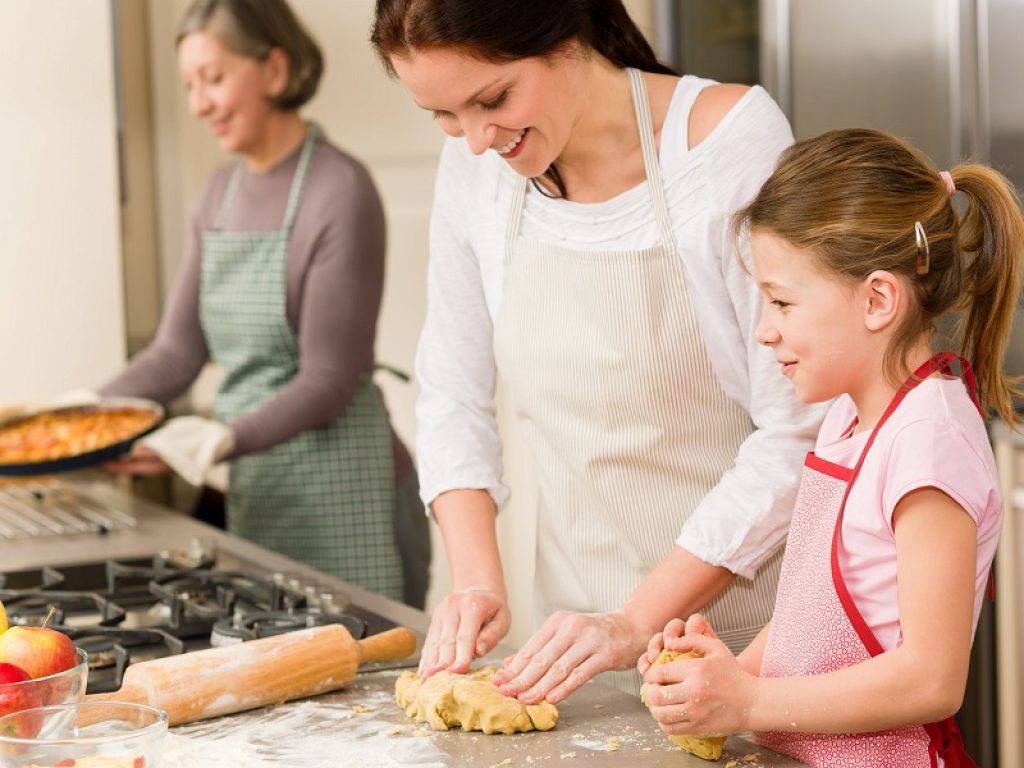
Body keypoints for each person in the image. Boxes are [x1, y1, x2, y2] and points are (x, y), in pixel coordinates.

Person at [371, 0, 825, 699]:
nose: (476, 140)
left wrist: (634, 621)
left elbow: (799, 428)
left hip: (745, 654)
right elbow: (452, 391)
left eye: (492, 99)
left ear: (567, 37)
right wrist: (477, 582)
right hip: (570, 651)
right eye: (443, 115)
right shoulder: (474, 166)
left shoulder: (724, 143)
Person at [639, 128, 1023, 767]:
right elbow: (813, 616)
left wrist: (750, 702)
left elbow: (932, 679)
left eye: (781, 302)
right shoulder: (848, 415)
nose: (764, 332)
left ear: (877, 300)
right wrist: (724, 678)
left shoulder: (929, 446)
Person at [101, 0, 430, 608]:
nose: (199, 103)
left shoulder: (340, 189)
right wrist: (85, 416)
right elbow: (176, 353)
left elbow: (328, 380)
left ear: (275, 71)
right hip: (264, 489)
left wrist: (220, 441)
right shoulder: (218, 195)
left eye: (213, 78)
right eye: (189, 85)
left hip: (350, 494)